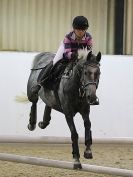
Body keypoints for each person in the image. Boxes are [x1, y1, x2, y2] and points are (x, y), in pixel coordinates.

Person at [32, 15, 99, 105]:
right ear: (74, 29)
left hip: (80, 56)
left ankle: (92, 94)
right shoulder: (68, 37)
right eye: (78, 30)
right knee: (55, 61)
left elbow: (88, 53)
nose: (81, 32)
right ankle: (39, 83)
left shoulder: (89, 38)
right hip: (67, 51)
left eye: (83, 30)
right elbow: (67, 54)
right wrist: (74, 55)